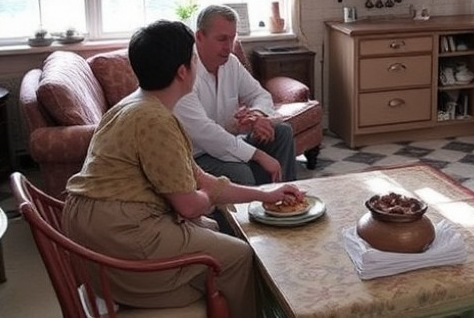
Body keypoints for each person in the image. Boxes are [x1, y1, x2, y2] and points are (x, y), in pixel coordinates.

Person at [62, 20, 304, 318]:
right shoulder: (157, 120)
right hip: (118, 240)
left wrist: (265, 195)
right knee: (239, 256)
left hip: (91, 233)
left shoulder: (134, 106)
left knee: (211, 228)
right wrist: (208, 198)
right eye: (193, 58)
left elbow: (202, 179)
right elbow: (190, 205)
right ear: (182, 71)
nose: (196, 64)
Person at [174, 4, 297, 185]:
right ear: (199, 36)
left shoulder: (231, 63)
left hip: (231, 142)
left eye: (232, 38)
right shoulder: (184, 73)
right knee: (240, 172)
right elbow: (206, 133)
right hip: (198, 154)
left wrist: (256, 115)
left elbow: (260, 95)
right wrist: (258, 155)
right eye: (222, 39)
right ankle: (261, 196)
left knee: (282, 132)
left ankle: (285, 195)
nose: (228, 47)